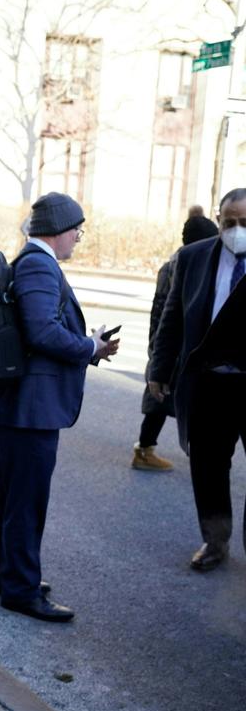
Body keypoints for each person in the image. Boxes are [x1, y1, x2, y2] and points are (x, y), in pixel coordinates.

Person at [0, 193, 120, 623]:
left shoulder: (30, 262)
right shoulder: (39, 263)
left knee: (8, 494)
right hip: (30, 409)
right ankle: (20, 589)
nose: (79, 237)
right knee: (26, 501)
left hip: (17, 405)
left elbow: (37, 329)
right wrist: (89, 346)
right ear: (59, 229)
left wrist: (88, 345)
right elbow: (41, 331)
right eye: (78, 229)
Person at [149, 188, 246, 572]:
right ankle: (215, 540)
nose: (237, 230)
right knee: (207, 468)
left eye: (245, 223)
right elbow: (172, 319)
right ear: (219, 220)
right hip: (209, 384)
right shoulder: (192, 258)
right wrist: (158, 369)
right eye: (230, 223)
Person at [132, 207, 218, 471]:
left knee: (165, 399)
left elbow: (159, 312)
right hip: (179, 348)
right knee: (170, 398)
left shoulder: (171, 264)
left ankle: (147, 449)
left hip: (167, 346)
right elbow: (171, 313)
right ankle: (145, 451)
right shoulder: (190, 265)